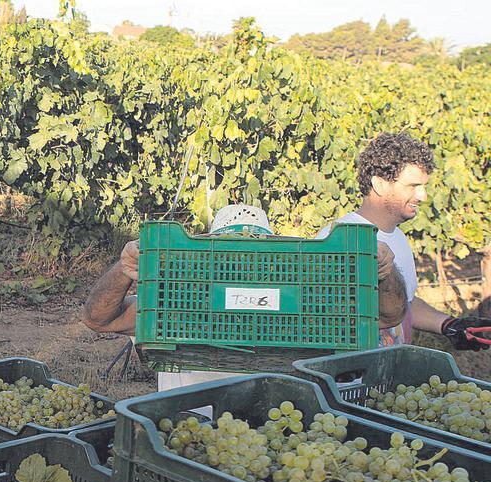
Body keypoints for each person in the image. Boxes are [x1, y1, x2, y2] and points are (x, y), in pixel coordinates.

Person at [81, 204, 409, 391]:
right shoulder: (178, 299)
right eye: (231, 247)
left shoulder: (308, 301)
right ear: (209, 249)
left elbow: (392, 315)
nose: (241, 262)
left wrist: (383, 273)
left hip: (273, 421)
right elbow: (98, 319)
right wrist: (125, 267)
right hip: (190, 422)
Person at [318, 132, 491, 350]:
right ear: (379, 185)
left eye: (424, 186)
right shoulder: (338, 241)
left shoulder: (397, 237)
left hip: (388, 379)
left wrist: (448, 325)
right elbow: (328, 321)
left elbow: (404, 303)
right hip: (352, 381)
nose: (423, 196)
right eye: (413, 186)